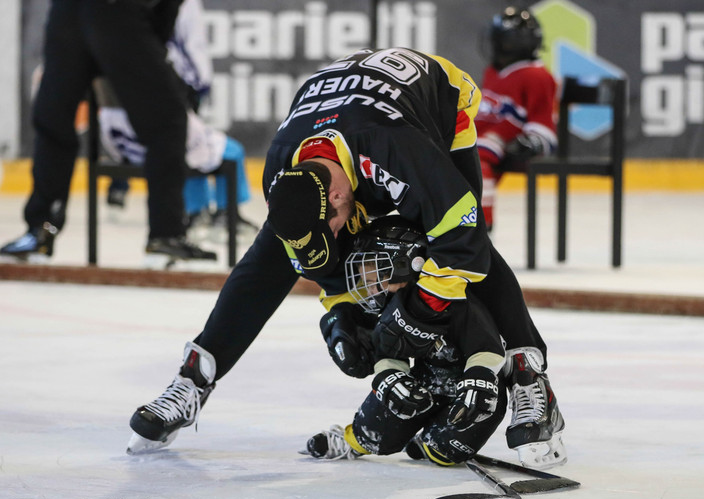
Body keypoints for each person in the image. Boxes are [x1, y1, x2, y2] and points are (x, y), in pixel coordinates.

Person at [126, 47, 566, 468]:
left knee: (462, 239)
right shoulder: (283, 172)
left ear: (337, 196)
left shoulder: (398, 149)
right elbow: (310, 258)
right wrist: (342, 313)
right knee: (264, 262)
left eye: (333, 226)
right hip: (347, 118)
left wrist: (420, 312)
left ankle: (531, 379)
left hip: (435, 103)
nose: (337, 236)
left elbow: (462, 239)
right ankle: (192, 380)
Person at [0, 0, 215, 265]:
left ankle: (39, 231)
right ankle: (165, 235)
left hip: (67, 14)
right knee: (168, 121)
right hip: (118, 13)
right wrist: (153, 39)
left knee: (54, 121)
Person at [302, 216, 511, 466]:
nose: (368, 289)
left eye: (373, 280)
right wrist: (390, 377)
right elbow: (389, 351)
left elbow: (487, 347)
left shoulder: (454, 299)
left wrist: (479, 378)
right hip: (424, 383)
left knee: (443, 452)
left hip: (468, 388)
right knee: (386, 413)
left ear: (404, 264)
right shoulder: (392, 305)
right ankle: (355, 439)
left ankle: (430, 443)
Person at [101, 0, 259, 244]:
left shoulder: (109, 39)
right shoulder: (169, 25)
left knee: (191, 145)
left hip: (123, 138)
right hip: (164, 117)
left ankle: (196, 212)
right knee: (215, 149)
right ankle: (225, 215)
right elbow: (189, 48)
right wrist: (198, 85)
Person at [475, 6, 558, 231]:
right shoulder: (493, 71)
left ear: (509, 44)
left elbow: (544, 122)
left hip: (500, 142)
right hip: (480, 136)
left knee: (474, 163)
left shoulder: (536, 76)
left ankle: (480, 226)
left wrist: (534, 141)